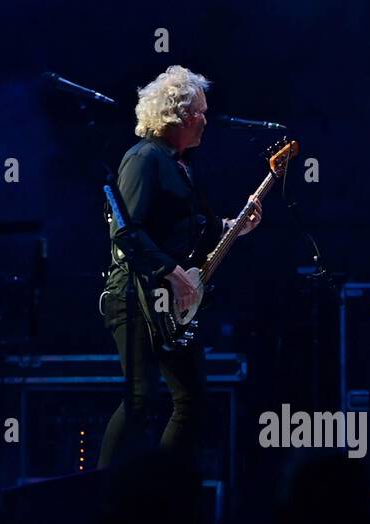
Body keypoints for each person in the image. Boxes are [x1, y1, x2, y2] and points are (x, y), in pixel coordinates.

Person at [98, 65, 261, 468]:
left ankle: (163, 491)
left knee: (191, 399)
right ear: (176, 115)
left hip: (169, 300)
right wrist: (170, 272)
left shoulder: (180, 167)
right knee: (140, 396)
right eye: (200, 112)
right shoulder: (143, 159)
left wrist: (235, 228)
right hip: (134, 295)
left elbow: (190, 236)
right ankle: (100, 493)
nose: (206, 119)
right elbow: (127, 231)